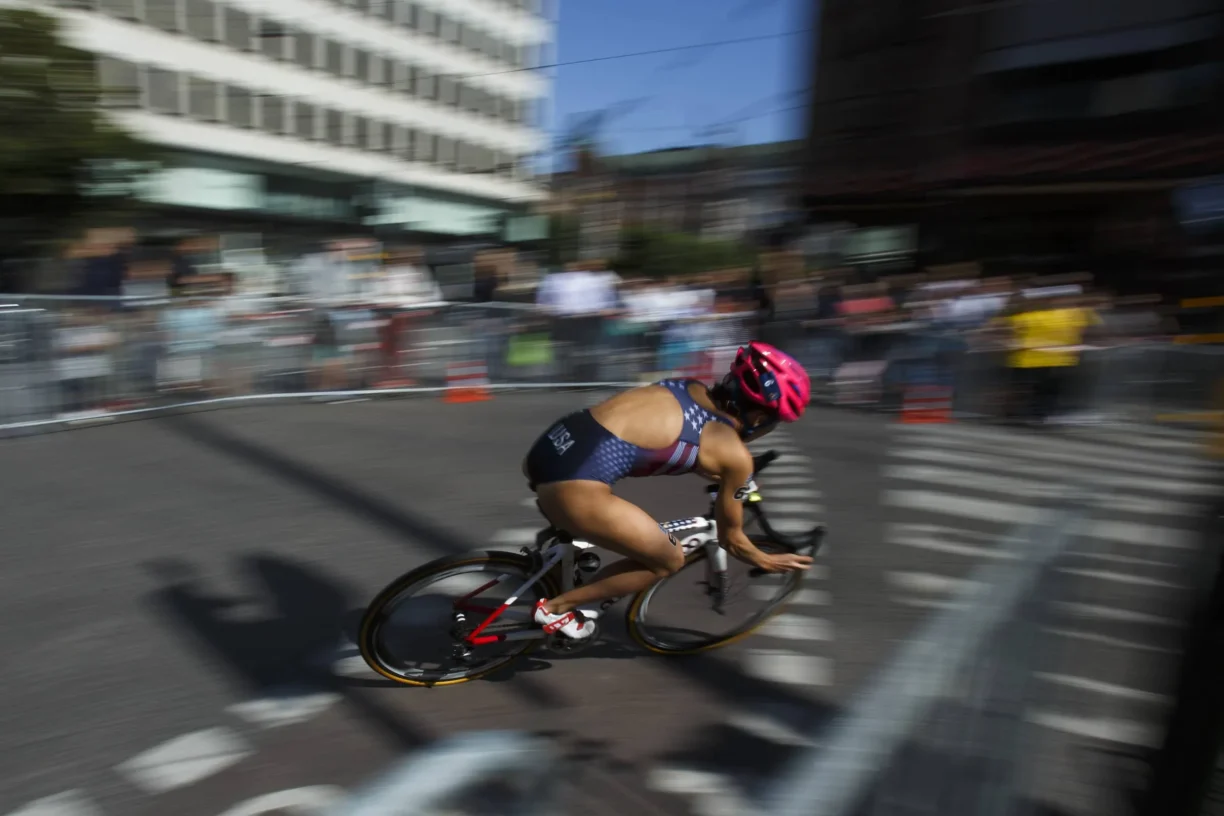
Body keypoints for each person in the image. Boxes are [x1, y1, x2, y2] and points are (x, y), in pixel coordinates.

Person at [521, 341, 814, 640]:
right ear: (760, 418)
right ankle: (557, 610)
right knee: (668, 559)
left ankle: (548, 565)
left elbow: (679, 446)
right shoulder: (733, 454)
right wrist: (766, 560)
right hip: (572, 484)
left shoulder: (688, 386)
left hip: (551, 446)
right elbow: (732, 540)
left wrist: (730, 477)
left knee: (584, 530)